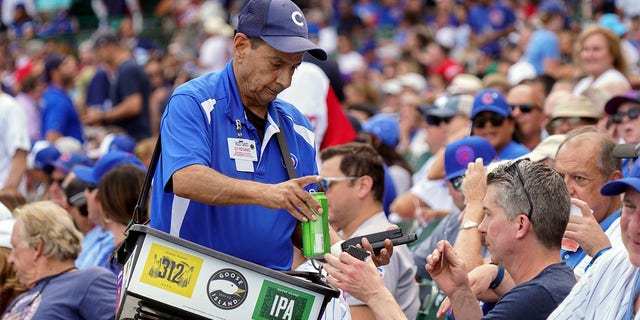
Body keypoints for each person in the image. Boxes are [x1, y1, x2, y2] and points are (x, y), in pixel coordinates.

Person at [149, 0, 330, 271]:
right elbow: (186, 178)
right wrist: (267, 194)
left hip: (264, 293)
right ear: (241, 46)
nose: (285, 81)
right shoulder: (194, 101)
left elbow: (307, 223)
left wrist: (349, 253)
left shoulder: (299, 126)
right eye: (276, 64)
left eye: (294, 67)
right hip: (183, 282)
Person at [425, 159, 576, 319]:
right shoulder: (552, 283)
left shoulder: (535, 296)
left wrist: (393, 304)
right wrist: (459, 292)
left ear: (520, 225)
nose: (481, 227)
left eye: (488, 214)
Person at [319, 142, 419, 319]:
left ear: (363, 186)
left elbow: (362, 317)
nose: (321, 194)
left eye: (326, 184)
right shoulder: (354, 237)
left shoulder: (376, 243)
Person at [548, 159, 640, 319]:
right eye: (630, 207)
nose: (634, 227)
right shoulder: (612, 261)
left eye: (579, 178)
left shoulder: (606, 255)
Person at [2, 201, 117, 319]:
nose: (10, 259)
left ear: (38, 247)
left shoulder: (89, 281)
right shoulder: (20, 300)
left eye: (15, 247)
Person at [554, 127, 623, 277]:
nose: (565, 189)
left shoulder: (629, 238)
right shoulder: (550, 224)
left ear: (613, 182)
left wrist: (602, 252)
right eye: (559, 177)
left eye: (579, 178)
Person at [83, 31, 152, 141]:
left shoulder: (127, 69)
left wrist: (103, 115)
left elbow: (133, 105)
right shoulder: (124, 68)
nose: (97, 55)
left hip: (136, 138)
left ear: (109, 47)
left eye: (98, 50)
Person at [40, 53, 84, 144]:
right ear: (54, 73)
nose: (72, 68)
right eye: (65, 65)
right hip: (69, 155)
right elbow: (52, 136)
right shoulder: (57, 100)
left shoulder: (57, 94)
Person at [603, 90, 640, 177]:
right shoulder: (624, 159)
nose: (625, 119)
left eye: (633, 112)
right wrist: (608, 148)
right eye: (618, 116)